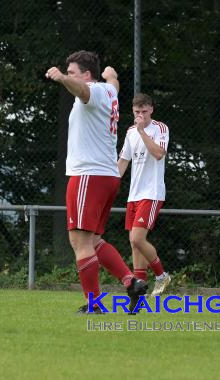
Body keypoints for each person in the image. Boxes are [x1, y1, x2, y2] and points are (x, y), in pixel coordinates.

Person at [45, 50, 147, 314]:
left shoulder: (93, 92)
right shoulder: (109, 91)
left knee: (79, 242)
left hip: (89, 175)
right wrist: (111, 75)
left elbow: (82, 90)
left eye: (72, 73)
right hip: (105, 175)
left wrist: (61, 79)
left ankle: (94, 305)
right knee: (93, 241)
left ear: (87, 76)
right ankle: (132, 282)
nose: (69, 77)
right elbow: (113, 83)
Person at [118, 93, 171, 298]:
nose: (140, 115)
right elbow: (123, 162)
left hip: (152, 192)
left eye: (144, 111)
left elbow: (158, 153)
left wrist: (142, 131)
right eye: (136, 112)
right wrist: (109, 184)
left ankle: (162, 275)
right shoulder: (130, 132)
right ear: (133, 111)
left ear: (151, 109)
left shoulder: (160, 128)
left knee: (137, 238)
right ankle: (139, 291)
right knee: (134, 243)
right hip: (134, 195)